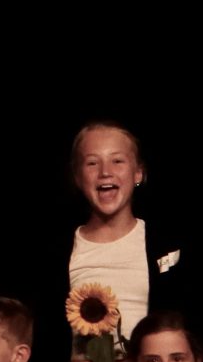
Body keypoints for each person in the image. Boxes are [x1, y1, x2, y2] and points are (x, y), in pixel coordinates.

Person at [63, 121, 188, 341]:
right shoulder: (62, 250)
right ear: (78, 177)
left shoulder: (165, 244)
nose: (105, 172)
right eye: (92, 163)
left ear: (138, 173)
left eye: (117, 161)